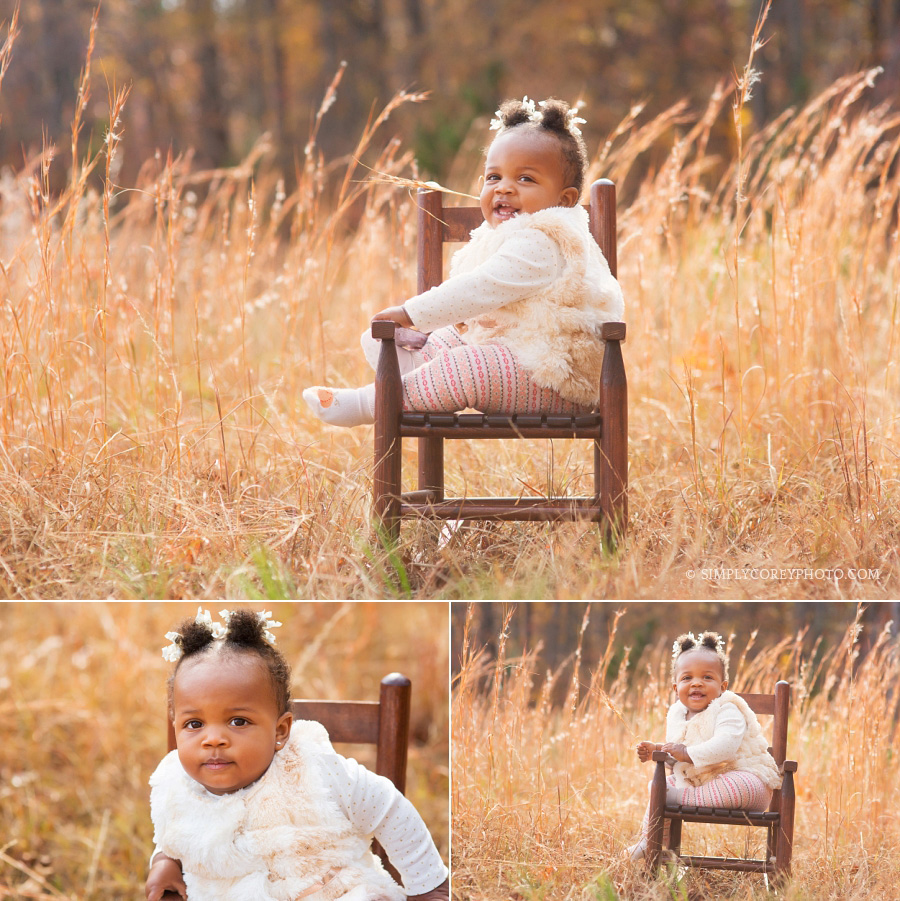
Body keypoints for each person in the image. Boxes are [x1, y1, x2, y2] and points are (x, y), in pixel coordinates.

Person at [302, 96, 624, 427]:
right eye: (493, 177)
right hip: (514, 354)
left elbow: (478, 290)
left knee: (465, 364)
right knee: (410, 340)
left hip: (555, 375)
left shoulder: (544, 240)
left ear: (564, 199)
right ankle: (420, 376)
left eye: (525, 179)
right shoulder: (502, 235)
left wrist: (412, 314)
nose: (505, 189)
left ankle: (368, 402)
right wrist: (430, 331)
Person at [145, 608, 449, 901]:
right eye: (194, 724)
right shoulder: (175, 786)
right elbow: (173, 835)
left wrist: (428, 886)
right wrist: (164, 862)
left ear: (280, 731)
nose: (213, 740)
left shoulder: (312, 770)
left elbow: (387, 807)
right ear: (176, 727)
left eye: (238, 721)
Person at [625, 631, 783, 860]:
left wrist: (686, 753)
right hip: (702, 785)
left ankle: (674, 798)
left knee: (734, 785)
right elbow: (680, 755)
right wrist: (659, 750)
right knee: (656, 786)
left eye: (707, 678)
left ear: (722, 686)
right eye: (687, 678)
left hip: (747, 783)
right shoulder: (677, 715)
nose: (697, 683)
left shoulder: (727, 709)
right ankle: (649, 840)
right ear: (675, 688)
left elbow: (725, 747)